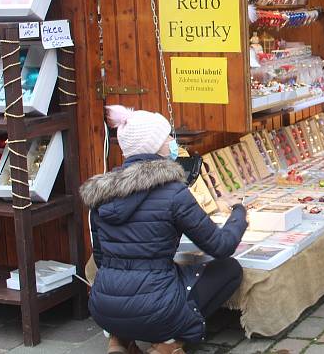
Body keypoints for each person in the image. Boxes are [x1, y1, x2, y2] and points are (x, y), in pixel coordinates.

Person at [81, 106, 247, 354]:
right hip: (158, 311)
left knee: (141, 278)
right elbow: (220, 246)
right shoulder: (173, 193)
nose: (172, 142)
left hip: (103, 308)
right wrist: (239, 215)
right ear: (156, 147)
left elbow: (102, 258)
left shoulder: (100, 193)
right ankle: (169, 344)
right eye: (168, 137)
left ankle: (118, 340)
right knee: (230, 269)